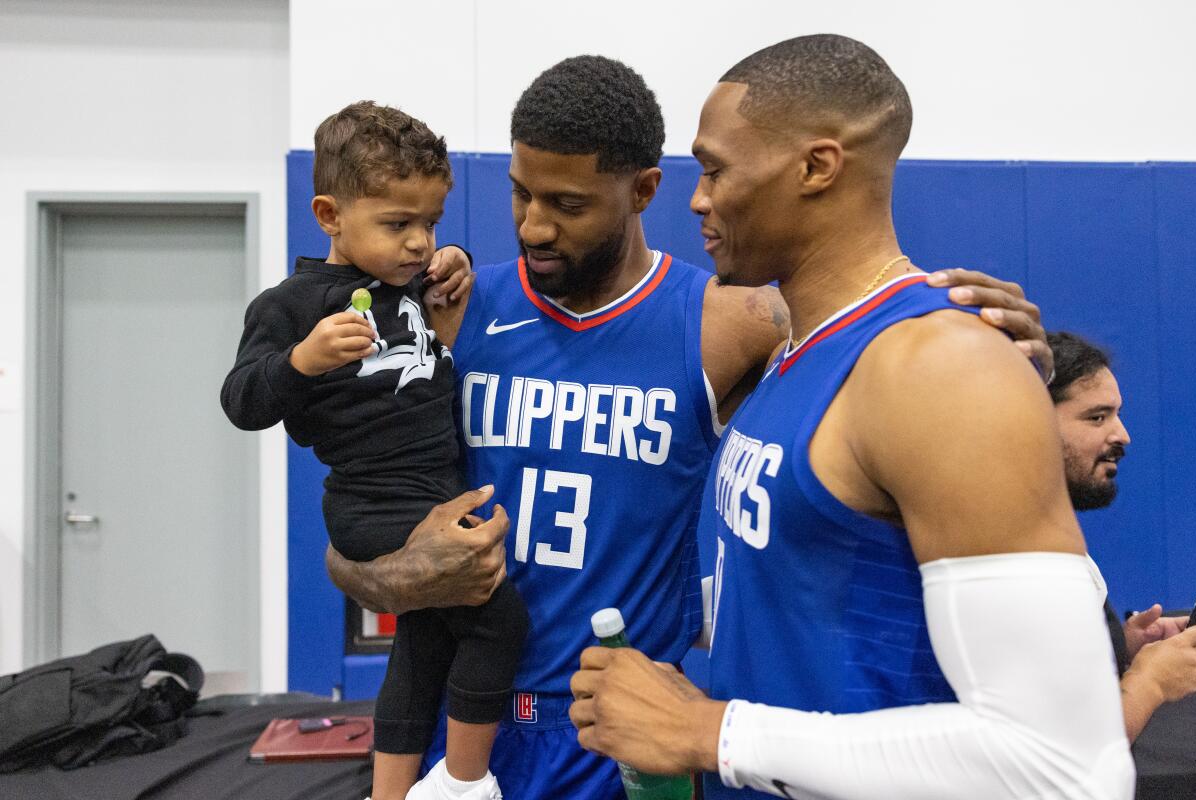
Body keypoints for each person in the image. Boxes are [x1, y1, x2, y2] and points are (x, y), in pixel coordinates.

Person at [327, 57, 1053, 800]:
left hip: (612, 732)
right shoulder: (454, 307)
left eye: (568, 204)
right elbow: (360, 506)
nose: (533, 226)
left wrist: (1007, 348)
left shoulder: (732, 324)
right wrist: (384, 576)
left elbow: (878, 340)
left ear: (642, 190)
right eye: (520, 194)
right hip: (462, 718)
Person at [568, 35, 1134, 799]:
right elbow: (802, 579)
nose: (697, 198)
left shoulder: (940, 369)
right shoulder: (796, 351)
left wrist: (710, 732)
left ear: (816, 167)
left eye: (714, 169)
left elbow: (1065, 766)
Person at [220, 101, 526, 800]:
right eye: (398, 224)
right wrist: (301, 359)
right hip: (375, 502)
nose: (418, 242)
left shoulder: (406, 282)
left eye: (430, 222)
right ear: (330, 216)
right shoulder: (293, 305)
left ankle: (388, 794)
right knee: (495, 614)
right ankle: (467, 784)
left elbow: (440, 270)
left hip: (430, 489)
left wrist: (456, 260)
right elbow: (242, 401)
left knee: (421, 649)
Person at [1048, 331, 1196, 741]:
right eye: (1097, 417)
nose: (1122, 435)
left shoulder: (1050, 535)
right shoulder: (1016, 553)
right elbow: (1064, 754)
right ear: (1028, 419)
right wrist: (1150, 682)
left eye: (1117, 414)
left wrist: (1120, 648)